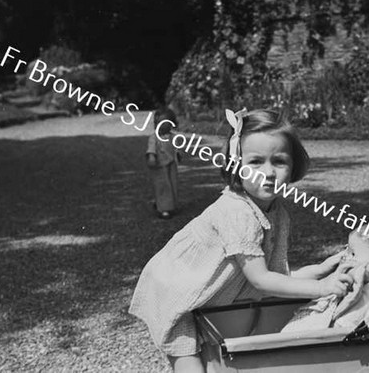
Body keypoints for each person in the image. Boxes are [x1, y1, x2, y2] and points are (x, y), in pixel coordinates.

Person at [129, 108, 354, 373]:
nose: (268, 172)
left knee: (217, 353)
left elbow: (274, 275)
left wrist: (319, 270)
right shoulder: (238, 212)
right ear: (236, 166)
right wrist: (321, 288)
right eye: (255, 162)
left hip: (207, 290)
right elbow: (261, 281)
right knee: (189, 359)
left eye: (279, 161)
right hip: (177, 290)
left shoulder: (276, 211)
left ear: (293, 167)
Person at [281, 230, 369, 332]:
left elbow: (343, 326)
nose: (344, 256)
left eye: (352, 253)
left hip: (316, 344)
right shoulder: (351, 284)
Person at [146, 108, 179, 219]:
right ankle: (164, 208)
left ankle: (168, 204)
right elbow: (151, 148)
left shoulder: (172, 136)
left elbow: (175, 148)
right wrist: (151, 156)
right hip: (159, 166)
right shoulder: (154, 137)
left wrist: (178, 154)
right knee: (162, 186)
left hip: (171, 165)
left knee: (172, 184)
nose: (159, 126)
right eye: (157, 123)